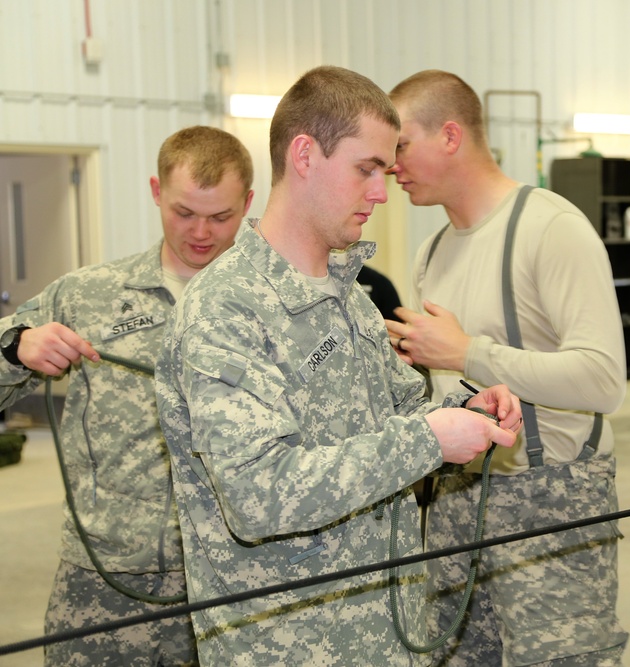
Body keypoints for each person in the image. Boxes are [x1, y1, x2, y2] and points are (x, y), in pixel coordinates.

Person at [154, 65, 521, 667]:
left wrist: (464, 412)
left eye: (387, 168)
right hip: (290, 648)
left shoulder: (346, 294)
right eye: (367, 168)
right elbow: (259, 495)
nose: (383, 189)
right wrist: (429, 439)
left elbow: (401, 412)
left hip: (387, 633)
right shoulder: (227, 308)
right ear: (304, 155)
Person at [386, 69, 629, 666]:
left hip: (551, 501)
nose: (390, 166)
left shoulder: (551, 229)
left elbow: (603, 378)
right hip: (455, 505)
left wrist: (467, 353)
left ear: (449, 136)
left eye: (400, 146)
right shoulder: (431, 251)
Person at [0, 125, 254, 666]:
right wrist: (14, 348)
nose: (202, 232)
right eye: (184, 212)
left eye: (221, 216)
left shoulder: (274, 303)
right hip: (104, 578)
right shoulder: (89, 294)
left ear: (249, 203)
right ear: (156, 191)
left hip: (235, 578)